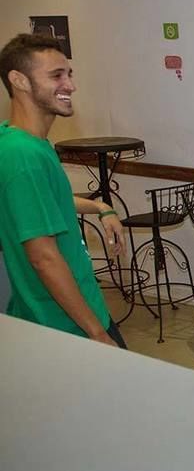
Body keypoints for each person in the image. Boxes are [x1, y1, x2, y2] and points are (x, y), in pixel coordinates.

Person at [0, 33, 126, 348]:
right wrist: (96, 334)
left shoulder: (22, 142)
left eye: (69, 74)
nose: (70, 85)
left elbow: (45, 203)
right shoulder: (23, 156)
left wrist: (101, 208)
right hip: (65, 325)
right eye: (56, 76)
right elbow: (43, 257)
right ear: (19, 80)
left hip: (68, 312)